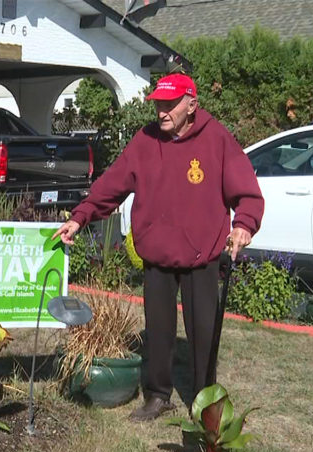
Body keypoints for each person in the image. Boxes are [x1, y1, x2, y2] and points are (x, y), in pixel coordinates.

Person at [52, 73, 264, 422]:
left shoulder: (217, 139)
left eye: (170, 104)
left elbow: (246, 190)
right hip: (158, 253)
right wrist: (81, 216)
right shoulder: (145, 140)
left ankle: (203, 399)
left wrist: (244, 224)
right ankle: (158, 395)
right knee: (158, 331)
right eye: (159, 105)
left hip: (202, 254)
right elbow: (112, 184)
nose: (162, 112)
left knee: (203, 331)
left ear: (192, 105)